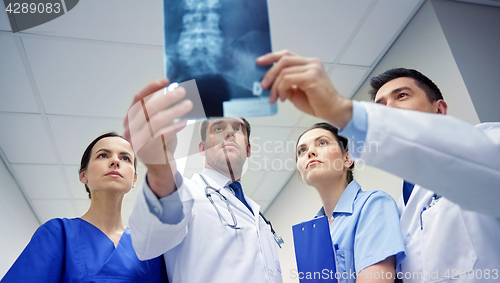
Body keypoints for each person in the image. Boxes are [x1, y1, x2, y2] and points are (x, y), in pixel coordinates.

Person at [257, 50, 500, 282]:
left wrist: (342, 111)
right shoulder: (401, 210)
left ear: (439, 109)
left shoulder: (489, 142)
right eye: (380, 107)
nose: (390, 110)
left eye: (401, 96)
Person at [123, 79, 282, 283]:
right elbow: (147, 243)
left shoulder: (257, 214)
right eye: (218, 128)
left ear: (249, 149)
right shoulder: (187, 193)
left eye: (238, 128)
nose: (229, 132)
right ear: (202, 148)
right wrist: (161, 170)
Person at [1, 132, 167, 283]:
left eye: (125, 158)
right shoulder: (59, 234)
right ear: (83, 175)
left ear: (134, 180)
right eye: (103, 155)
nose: (115, 161)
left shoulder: (149, 249)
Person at [296, 123, 405, 282]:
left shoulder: (373, 205)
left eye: (322, 143)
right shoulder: (311, 234)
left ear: (347, 159)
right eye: (302, 151)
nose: (310, 153)